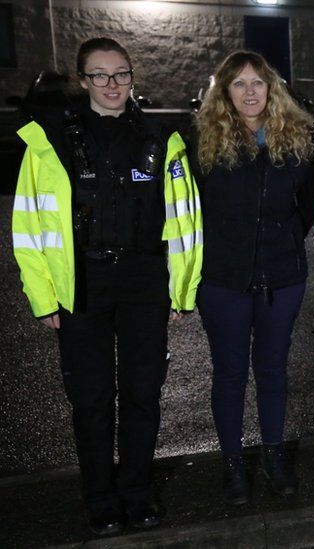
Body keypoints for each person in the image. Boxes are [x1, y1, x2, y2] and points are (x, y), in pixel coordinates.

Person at [11, 37, 202, 535]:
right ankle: (100, 498)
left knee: (142, 393)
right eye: (100, 75)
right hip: (83, 284)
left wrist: (182, 289)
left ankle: (137, 493)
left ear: (132, 78)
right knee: (92, 399)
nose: (112, 85)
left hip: (144, 282)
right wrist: (42, 294)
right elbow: (30, 224)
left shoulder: (163, 138)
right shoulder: (49, 138)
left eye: (121, 74)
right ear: (82, 80)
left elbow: (185, 218)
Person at [192, 51, 314, 504]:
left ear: (273, 88)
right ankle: (233, 465)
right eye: (240, 83)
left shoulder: (298, 139)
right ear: (224, 92)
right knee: (229, 374)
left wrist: (280, 242)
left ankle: (272, 455)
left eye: (258, 83)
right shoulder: (204, 141)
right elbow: (194, 210)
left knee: (272, 371)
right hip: (223, 279)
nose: (251, 92)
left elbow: (306, 206)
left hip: (282, 278)